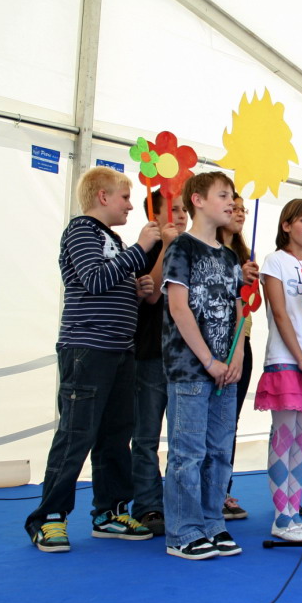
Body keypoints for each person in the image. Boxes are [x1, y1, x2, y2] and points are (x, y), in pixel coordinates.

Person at [24, 166, 160, 553]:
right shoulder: (82, 230)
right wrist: (140, 249)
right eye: (125, 197)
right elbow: (94, 279)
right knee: (76, 434)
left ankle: (110, 512)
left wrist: (136, 290)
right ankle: (48, 517)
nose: (131, 206)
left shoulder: (113, 240)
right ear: (103, 196)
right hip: (87, 349)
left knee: (116, 435)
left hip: (120, 350)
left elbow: (109, 285)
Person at [162, 171, 245, 560]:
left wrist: (236, 355)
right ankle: (183, 530)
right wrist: (209, 360)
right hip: (190, 370)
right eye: (223, 195)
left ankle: (213, 522)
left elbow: (239, 310)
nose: (231, 202)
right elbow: (179, 308)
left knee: (219, 451)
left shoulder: (229, 256)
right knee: (188, 452)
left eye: (232, 196)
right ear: (197, 200)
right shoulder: (182, 246)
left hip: (225, 372)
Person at [253, 198, 302, 541]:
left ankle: (295, 512)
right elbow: (280, 313)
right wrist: (301, 359)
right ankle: (281, 518)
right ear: (286, 225)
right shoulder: (276, 262)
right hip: (286, 359)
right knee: (284, 437)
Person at [131, 189, 187, 536]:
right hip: (151, 354)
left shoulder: (194, 249)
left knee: (185, 438)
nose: (181, 216)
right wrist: (165, 245)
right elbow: (150, 295)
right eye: (174, 209)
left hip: (185, 357)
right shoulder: (143, 249)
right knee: (146, 436)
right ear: (155, 213)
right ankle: (148, 505)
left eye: (184, 210)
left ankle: (180, 503)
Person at [218, 191, 260, 521]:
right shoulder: (208, 249)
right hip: (215, 343)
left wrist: (250, 282)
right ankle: (203, 489)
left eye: (243, 209)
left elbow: (250, 304)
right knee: (210, 422)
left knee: (229, 421)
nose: (240, 213)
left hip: (241, 342)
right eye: (234, 208)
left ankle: (223, 488)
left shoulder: (246, 255)